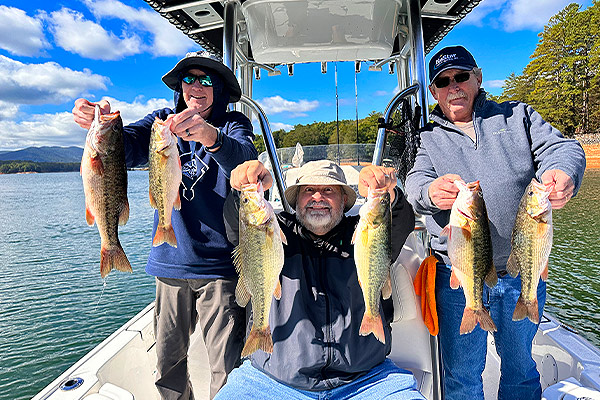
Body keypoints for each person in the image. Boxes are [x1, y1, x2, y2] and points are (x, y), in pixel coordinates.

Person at [72, 51, 258, 400]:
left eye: (206, 80)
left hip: (219, 268)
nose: (196, 87)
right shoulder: (162, 121)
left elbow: (246, 159)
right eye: (189, 79)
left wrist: (210, 136)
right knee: (167, 366)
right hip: (169, 263)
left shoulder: (233, 124)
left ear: (218, 88)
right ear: (180, 88)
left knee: (226, 368)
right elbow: (125, 146)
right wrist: (99, 120)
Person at [405, 45, 587, 400]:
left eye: (461, 76)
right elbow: (414, 184)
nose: (453, 86)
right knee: (461, 374)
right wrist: (430, 191)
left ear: (478, 78)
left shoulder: (517, 116)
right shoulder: (428, 139)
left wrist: (563, 172)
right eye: (443, 81)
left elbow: (565, 148)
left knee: (520, 368)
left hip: (521, 272)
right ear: (433, 92)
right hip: (456, 276)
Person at [216, 159, 424, 400]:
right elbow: (237, 226)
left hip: (368, 379)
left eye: (328, 190)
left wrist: (388, 192)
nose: (318, 197)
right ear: (296, 201)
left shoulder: (365, 233)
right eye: (308, 190)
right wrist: (239, 191)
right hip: (271, 379)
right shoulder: (275, 230)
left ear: (345, 200)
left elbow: (401, 220)